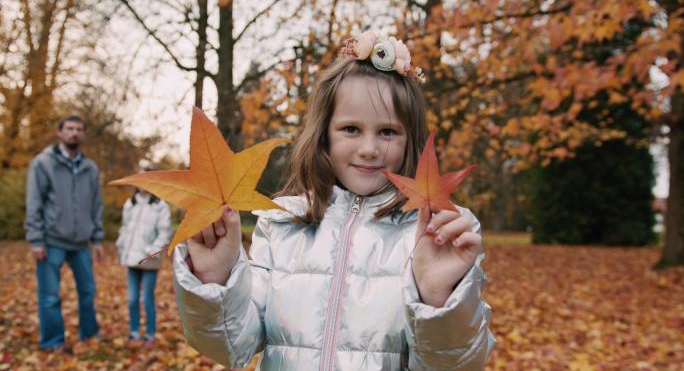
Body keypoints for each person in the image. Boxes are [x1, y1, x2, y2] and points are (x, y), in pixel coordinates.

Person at [173, 31, 496, 370]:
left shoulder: (438, 231)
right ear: (324, 134)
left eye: (387, 131)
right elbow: (233, 347)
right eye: (351, 129)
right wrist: (215, 280)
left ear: (409, 139)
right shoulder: (281, 223)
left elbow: (458, 364)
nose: (369, 148)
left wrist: (437, 299)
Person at [25, 115, 104, 351]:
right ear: (60, 133)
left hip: (81, 243)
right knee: (50, 296)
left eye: (79, 129)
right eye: (69, 128)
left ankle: (89, 337)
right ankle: (53, 342)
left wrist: (98, 238)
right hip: (51, 240)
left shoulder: (91, 168)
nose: (74, 133)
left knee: (88, 292)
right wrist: (36, 239)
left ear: (84, 134)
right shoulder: (42, 163)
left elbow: (96, 205)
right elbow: (34, 202)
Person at [115, 184, 171, 345]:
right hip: (131, 258)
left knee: (147, 298)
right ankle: (134, 332)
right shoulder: (130, 203)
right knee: (132, 299)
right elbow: (125, 228)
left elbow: (164, 232)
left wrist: (151, 251)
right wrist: (121, 246)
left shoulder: (160, 206)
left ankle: (150, 334)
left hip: (149, 260)